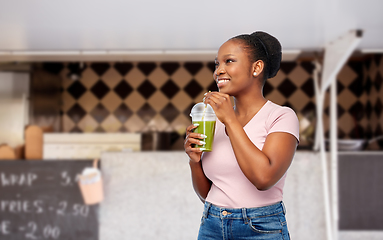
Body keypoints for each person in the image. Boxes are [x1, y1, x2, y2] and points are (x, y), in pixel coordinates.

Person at [184, 31, 299, 239]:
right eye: (216, 64)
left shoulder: (281, 116)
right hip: (212, 224)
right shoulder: (213, 121)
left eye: (228, 61)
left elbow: (263, 178)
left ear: (256, 68)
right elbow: (207, 194)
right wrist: (194, 162)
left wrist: (230, 120)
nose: (219, 71)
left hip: (262, 228)